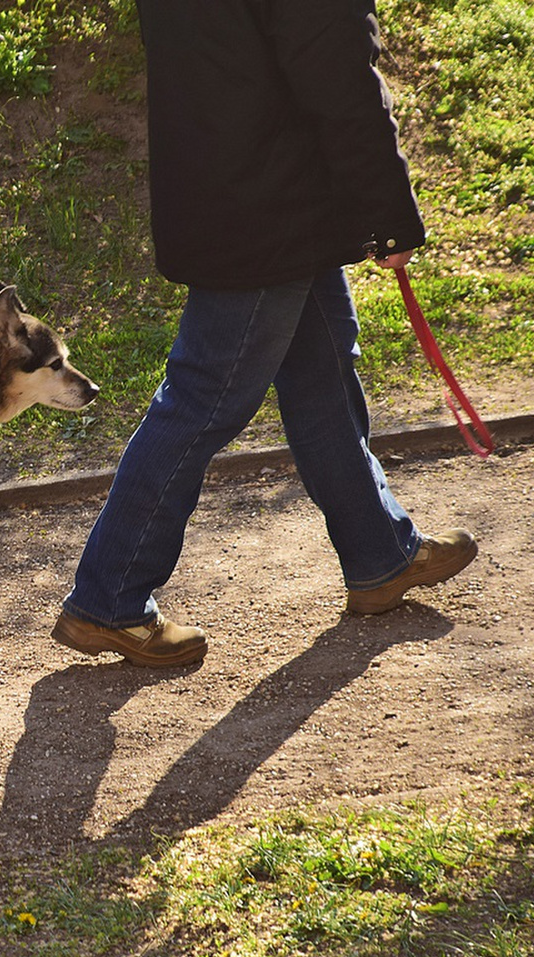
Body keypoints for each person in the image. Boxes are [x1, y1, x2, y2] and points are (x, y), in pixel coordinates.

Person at [51, 0, 477, 668]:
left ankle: (379, 556)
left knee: (324, 375)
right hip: (269, 202)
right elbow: (337, 72)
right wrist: (389, 209)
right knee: (201, 400)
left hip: (233, 188)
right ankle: (109, 599)